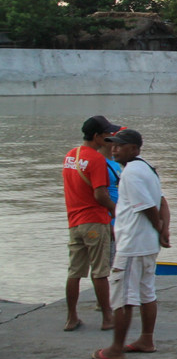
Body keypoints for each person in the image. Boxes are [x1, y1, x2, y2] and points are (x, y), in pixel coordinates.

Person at [93, 129, 170, 359]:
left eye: (120, 145)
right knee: (147, 292)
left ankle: (116, 349)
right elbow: (162, 201)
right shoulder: (146, 168)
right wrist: (164, 230)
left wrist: (158, 226)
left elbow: (147, 206)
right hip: (146, 244)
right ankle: (147, 339)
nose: (114, 149)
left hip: (133, 244)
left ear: (134, 149)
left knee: (124, 297)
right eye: (113, 145)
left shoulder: (132, 173)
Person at [63, 115, 121, 332]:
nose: (109, 137)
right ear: (97, 136)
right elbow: (100, 194)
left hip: (74, 221)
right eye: (106, 134)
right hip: (95, 221)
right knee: (100, 271)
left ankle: (71, 318)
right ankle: (107, 318)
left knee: (74, 272)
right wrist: (115, 213)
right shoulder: (97, 160)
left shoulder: (70, 156)